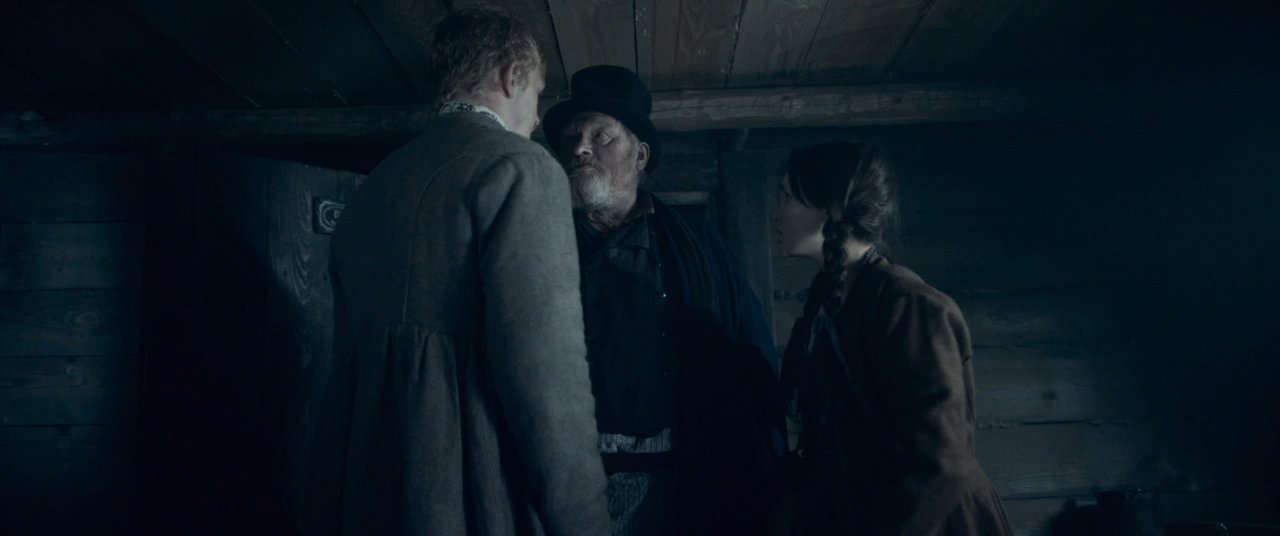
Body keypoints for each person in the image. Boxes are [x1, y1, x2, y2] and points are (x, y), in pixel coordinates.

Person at [301, 8, 608, 535]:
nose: (537, 120)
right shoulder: (521, 166)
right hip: (468, 494)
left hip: (365, 492)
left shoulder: (374, 186)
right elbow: (547, 376)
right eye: (537, 94)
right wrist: (585, 522)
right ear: (512, 75)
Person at [541, 65, 785, 535]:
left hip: (680, 478)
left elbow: (746, 351)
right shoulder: (541, 244)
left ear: (640, 155)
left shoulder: (695, 246)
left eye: (600, 136)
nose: (579, 148)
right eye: (571, 137)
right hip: (571, 480)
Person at [770, 141, 1013, 535]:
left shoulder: (908, 306)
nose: (776, 213)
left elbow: (941, 464)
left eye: (787, 198)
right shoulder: (833, 302)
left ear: (831, 208)